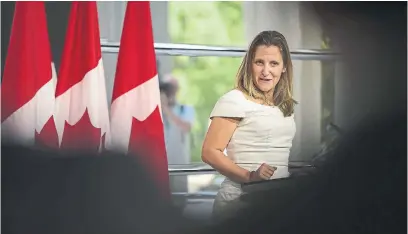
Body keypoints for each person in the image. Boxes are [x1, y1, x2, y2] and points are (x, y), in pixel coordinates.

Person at [201, 30, 297, 221]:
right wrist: (250, 176)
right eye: (259, 62)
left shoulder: (285, 105)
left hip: (277, 202)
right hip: (240, 202)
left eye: (274, 63)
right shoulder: (234, 100)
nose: (266, 71)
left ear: (284, 67)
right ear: (249, 64)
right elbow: (210, 151)